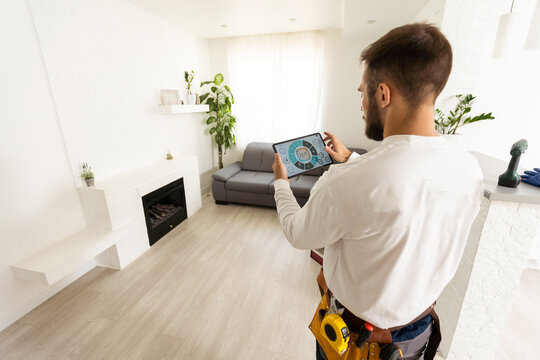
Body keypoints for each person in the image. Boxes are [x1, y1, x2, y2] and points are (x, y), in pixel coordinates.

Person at [272, 23, 483, 360]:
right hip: (420, 331)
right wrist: (352, 157)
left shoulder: (347, 180)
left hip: (355, 339)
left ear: (383, 94)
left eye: (362, 93)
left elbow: (299, 233)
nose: (361, 105)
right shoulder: (469, 170)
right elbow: (405, 182)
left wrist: (281, 183)